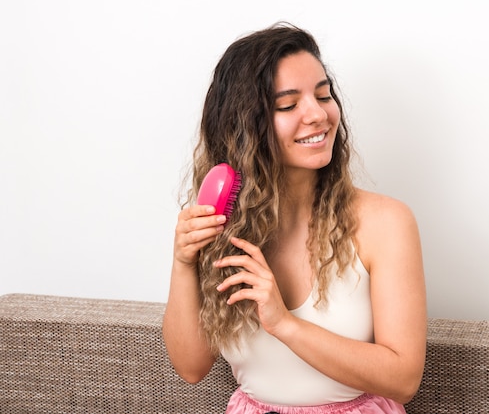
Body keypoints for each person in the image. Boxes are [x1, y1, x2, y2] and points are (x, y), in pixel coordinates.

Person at [162, 22, 427, 414]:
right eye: (288, 105)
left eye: (323, 95)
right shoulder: (223, 225)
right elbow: (190, 367)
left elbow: (403, 379)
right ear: (245, 127)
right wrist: (184, 262)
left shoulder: (386, 223)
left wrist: (285, 324)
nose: (317, 114)